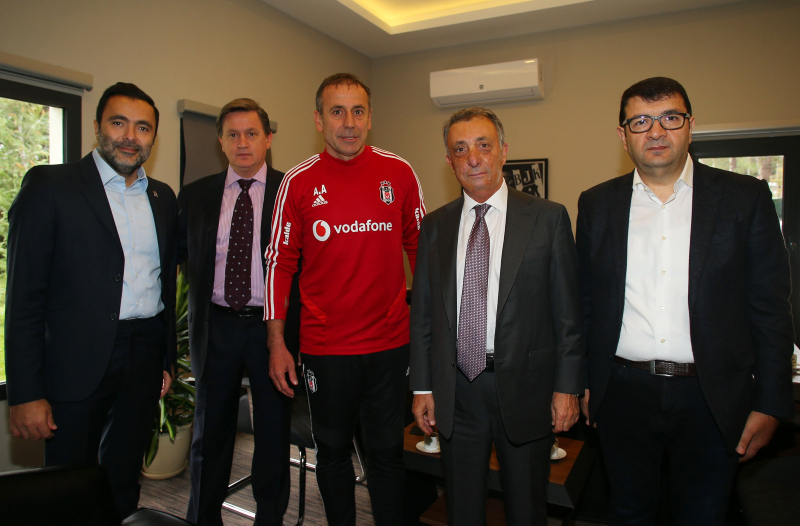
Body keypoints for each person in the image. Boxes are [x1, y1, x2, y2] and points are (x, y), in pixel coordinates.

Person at [577, 77, 795, 525]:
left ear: (690, 126)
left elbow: (771, 310)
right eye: (641, 121)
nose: (656, 131)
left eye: (670, 118)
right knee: (627, 512)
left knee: (704, 515)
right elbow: (584, 303)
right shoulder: (597, 204)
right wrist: (582, 380)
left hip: (712, 397)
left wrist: (772, 402)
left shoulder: (744, 198)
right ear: (623, 135)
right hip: (622, 393)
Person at [5, 82, 177, 519]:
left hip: (143, 356)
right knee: (68, 486)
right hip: (75, 362)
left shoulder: (162, 197)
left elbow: (163, 287)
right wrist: (26, 393)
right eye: (119, 123)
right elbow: (23, 298)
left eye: (143, 128)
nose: (130, 136)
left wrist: (165, 361)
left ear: (153, 137)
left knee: (124, 476)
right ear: (97, 126)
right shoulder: (50, 186)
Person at [410, 107, 584, 526]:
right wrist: (422, 387)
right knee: (462, 509)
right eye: (460, 149)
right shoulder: (434, 226)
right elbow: (424, 316)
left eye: (483, 146)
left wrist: (567, 388)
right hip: (457, 391)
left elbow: (569, 316)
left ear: (503, 151)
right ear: (449, 161)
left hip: (527, 388)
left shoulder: (547, 218)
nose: (473, 158)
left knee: (526, 509)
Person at [265, 73, 425, 526]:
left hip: (390, 346)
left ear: (370, 118)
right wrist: (277, 343)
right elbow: (279, 264)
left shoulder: (399, 172)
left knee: (386, 454)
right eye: (337, 111)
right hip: (326, 349)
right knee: (333, 453)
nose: (349, 123)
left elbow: (422, 252)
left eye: (358, 112)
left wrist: (428, 334)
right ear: (319, 120)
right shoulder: (297, 182)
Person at [179, 98, 298, 526]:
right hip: (216, 328)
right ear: (221, 141)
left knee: (272, 434)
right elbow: (179, 261)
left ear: (268, 139)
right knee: (209, 434)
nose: (242, 143)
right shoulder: (195, 196)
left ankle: (269, 519)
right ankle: (202, 518)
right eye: (233, 134)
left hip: (273, 331)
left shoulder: (292, 192)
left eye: (251, 133)